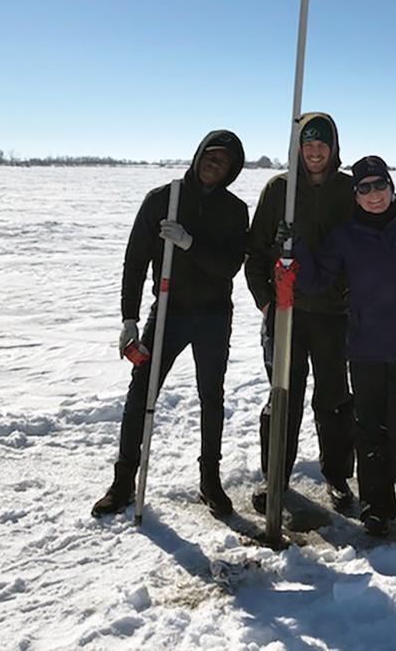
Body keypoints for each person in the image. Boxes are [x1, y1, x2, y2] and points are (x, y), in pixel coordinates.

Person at [91, 130, 249, 519]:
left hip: (213, 315)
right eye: (210, 157)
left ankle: (210, 481)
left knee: (211, 396)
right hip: (169, 312)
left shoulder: (235, 209)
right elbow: (135, 261)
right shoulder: (163, 199)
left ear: (231, 170)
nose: (215, 165)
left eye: (224, 162)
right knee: (141, 393)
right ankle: (123, 482)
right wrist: (129, 319)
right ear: (198, 157)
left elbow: (229, 267)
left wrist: (189, 243)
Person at [292, 155, 396, 543]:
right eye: (365, 188)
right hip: (365, 349)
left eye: (380, 186)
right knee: (370, 434)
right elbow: (314, 282)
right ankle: (377, 510)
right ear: (355, 195)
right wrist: (297, 248)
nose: (374, 195)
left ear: (391, 187)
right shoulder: (344, 237)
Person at [244, 112, 356, 513]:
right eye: (307, 145)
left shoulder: (348, 190)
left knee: (335, 398)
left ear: (333, 148)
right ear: (298, 147)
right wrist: (266, 300)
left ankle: (339, 476)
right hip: (286, 313)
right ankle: (275, 475)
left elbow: (364, 242)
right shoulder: (279, 190)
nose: (314, 152)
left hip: (333, 314)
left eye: (321, 145)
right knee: (282, 397)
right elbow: (255, 251)